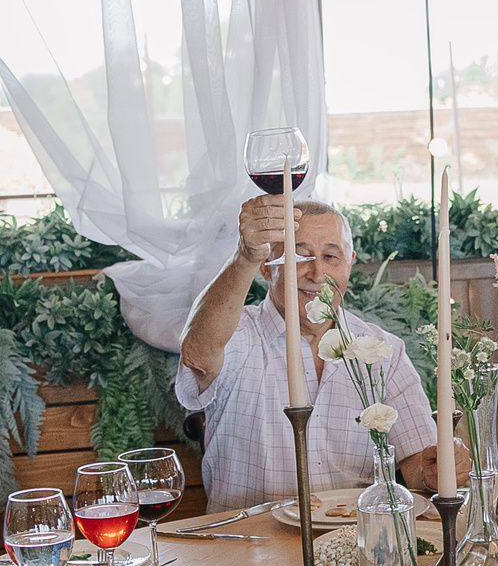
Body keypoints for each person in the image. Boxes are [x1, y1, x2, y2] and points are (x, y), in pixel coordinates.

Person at [177, 195, 454, 508]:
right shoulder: (239, 336)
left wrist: (436, 469)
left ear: (348, 263)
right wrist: (245, 256)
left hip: (351, 541)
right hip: (249, 545)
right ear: (267, 268)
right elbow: (198, 355)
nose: (317, 274)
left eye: (331, 257)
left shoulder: (382, 352)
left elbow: (418, 464)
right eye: (300, 255)